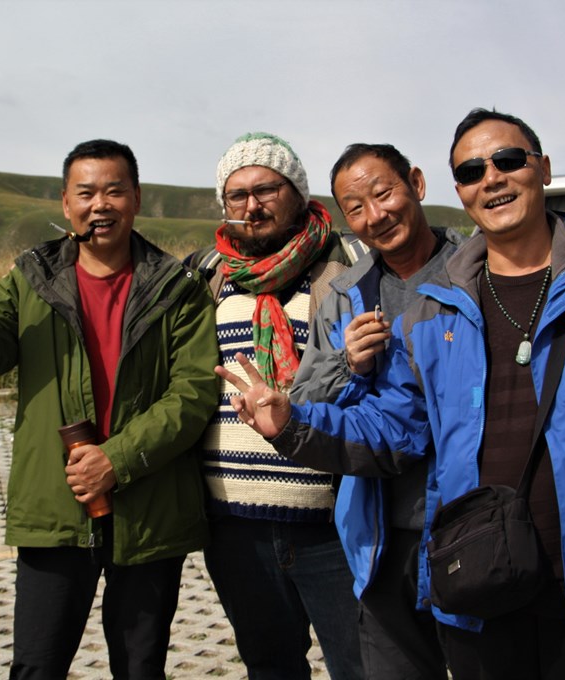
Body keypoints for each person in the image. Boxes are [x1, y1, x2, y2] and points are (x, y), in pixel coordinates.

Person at [217, 109, 565, 679]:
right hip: (483, 580)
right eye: (471, 170)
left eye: (508, 161)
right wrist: (292, 422)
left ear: (544, 169)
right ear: (459, 190)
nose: (492, 178)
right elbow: (397, 428)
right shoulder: (437, 310)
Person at [0, 139, 218, 679]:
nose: (101, 205)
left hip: (148, 509)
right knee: (37, 666)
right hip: (55, 511)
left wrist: (116, 459)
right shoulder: (31, 278)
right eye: (86, 192)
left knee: (140, 668)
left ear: (136, 198)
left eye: (115, 191)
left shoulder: (176, 287)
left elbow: (194, 393)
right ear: (66, 203)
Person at [187, 132, 364, 679]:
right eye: (236, 195)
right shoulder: (205, 275)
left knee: (361, 666)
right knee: (270, 668)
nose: (251, 206)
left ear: (298, 193)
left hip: (333, 523)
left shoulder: (349, 264)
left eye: (266, 189)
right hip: (236, 527)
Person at [288, 143, 463, 679]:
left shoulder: (476, 275)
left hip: (470, 526)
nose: (375, 215)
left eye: (383, 193)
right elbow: (306, 405)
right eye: (356, 207)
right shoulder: (345, 294)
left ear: (416, 182)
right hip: (380, 536)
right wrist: (348, 364)